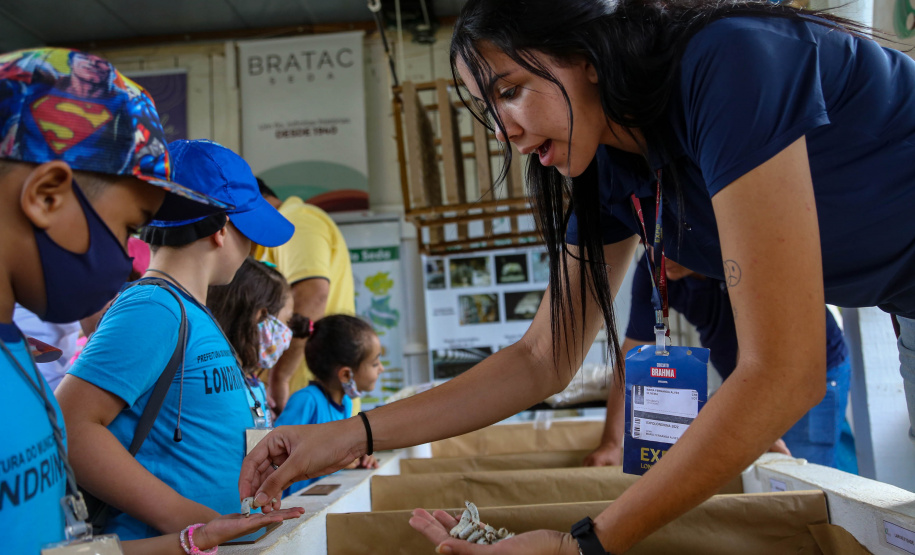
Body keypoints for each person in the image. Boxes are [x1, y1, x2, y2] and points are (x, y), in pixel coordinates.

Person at [240, 0, 915, 553]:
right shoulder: (613, 165)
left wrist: (585, 544)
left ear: (587, 53)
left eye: (511, 91)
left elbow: (786, 368)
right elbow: (540, 357)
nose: (505, 131)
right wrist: (346, 435)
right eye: (488, 109)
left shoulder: (730, 64)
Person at [0, 47, 302, 555]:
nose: (127, 259)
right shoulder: (153, 308)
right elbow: (78, 427)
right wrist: (189, 522)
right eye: (126, 227)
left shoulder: (18, 358)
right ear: (46, 195)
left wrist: (195, 538)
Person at [57, 139, 295, 541]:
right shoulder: (155, 308)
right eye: (249, 234)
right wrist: (187, 520)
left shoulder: (188, 310)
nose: (253, 249)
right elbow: (70, 425)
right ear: (221, 229)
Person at [583, 258, 857, 472]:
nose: (660, 251)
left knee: (805, 477)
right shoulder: (655, 268)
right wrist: (611, 443)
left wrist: (757, 421)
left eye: (670, 237)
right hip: (746, 378)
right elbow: (635, 354)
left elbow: (764, 343)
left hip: (806, 369)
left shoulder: (736, 249)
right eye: (650, 238)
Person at [256, 180, 357, 414]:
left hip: (305, 398)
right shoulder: (275, 234)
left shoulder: (295, 219)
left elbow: (312, 295)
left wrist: (280, 377)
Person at [274, 314, 382, 494]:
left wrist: (358, 456)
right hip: (291, 505)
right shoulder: (307, 400)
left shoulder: (345, 403)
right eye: (375, 363)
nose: (381, 369)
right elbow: (276, 456)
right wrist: (336, 460)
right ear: (346, 375)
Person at [207, 257, 300, 426]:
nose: (288, 334)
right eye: (286, 322)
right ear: (261, 318)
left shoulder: (250, 383)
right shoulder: (223, 387)